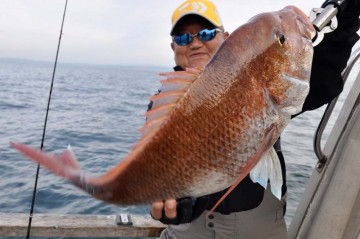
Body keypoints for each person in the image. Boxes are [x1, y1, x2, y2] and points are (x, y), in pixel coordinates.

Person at [148, 0, 360, 238]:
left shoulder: (260, 77)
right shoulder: (162, 105)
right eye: (184, 38)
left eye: (206, 33)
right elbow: (154, 167)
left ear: (225, 38)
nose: (195, 43)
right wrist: (166, 198)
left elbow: (319, 83)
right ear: (173, 47)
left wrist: (343, 25)